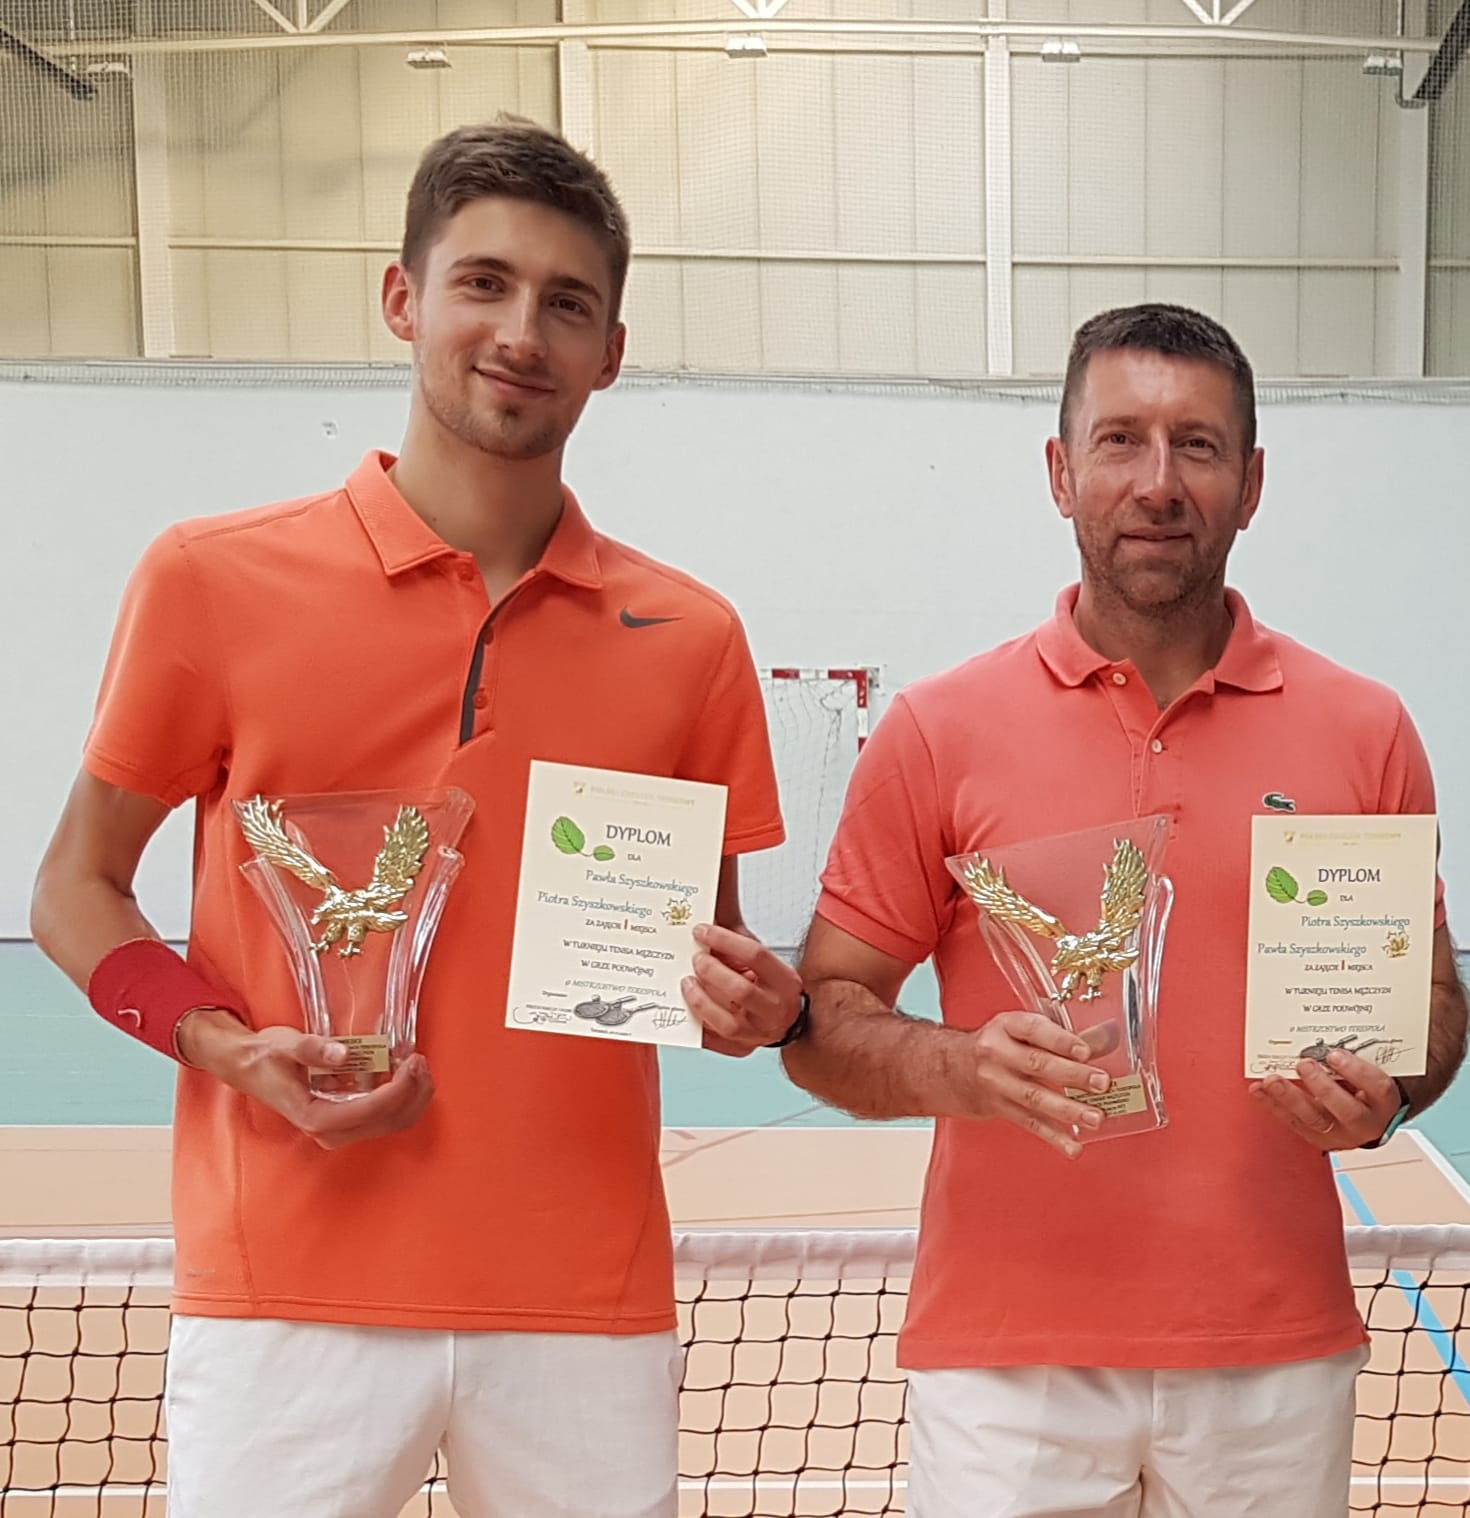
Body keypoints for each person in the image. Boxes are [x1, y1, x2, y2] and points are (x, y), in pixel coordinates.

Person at [30, 118, 803, 1518]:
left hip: (583, 1311)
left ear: (610, 352)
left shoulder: (692, 638)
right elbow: (76, 888)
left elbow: (705, 963)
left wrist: (746, 1004)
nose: (520, 333)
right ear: (403, 298)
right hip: (285, 1300)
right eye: (483, 284)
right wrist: (225, 1045)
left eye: (567, 303)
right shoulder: (209, 581)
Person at [780, 303, 1467, 1517]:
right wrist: (963, 1068)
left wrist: (1393, 1093)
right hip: (1007, 1367)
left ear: (1252, 483)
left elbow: (1432, 1005)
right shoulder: (938, 730)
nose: (1159, 483)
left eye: (1198, 445)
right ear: (1061, 471)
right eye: (1120, 441)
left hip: (1271, 1357)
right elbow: (821, 1017)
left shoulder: (1366, 729)